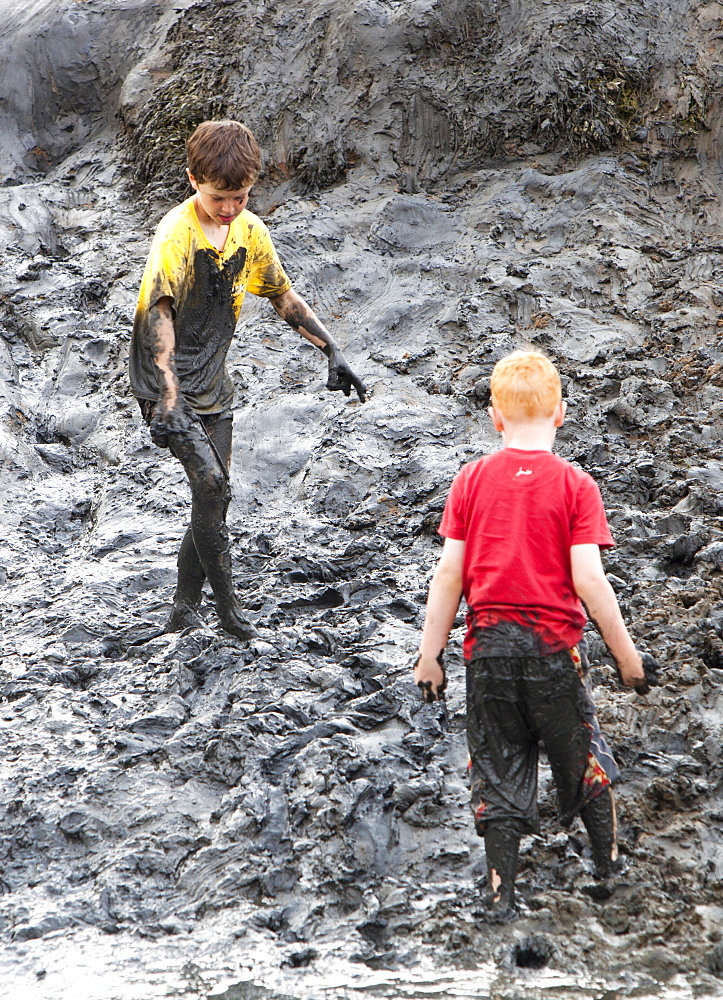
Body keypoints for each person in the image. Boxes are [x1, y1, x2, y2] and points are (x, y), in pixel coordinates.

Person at [413, 350, 660, 922]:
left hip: (489, 654)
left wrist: (430, 655)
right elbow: (589, 580)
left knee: (497, 768)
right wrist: (628, 656)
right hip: (553, 654)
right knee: (584, 761)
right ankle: (607, 871)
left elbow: (448, 574)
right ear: (562, 414)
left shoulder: (471, 480)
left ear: (495, 417)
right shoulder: (576, 485)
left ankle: (501, 895)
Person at [129, 120, 366, 639]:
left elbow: (283, 296)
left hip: (213, 384)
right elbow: (159, 316)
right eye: (219, 198)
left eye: (240, 197)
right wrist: (168, 396)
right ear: (193, 180)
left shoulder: (250, 232)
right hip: (164, 381)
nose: (230, 208)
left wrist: (333, 351)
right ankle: (229, 613)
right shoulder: (175, 235)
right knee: (213, 484)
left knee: (212, 496)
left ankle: (184, 607)